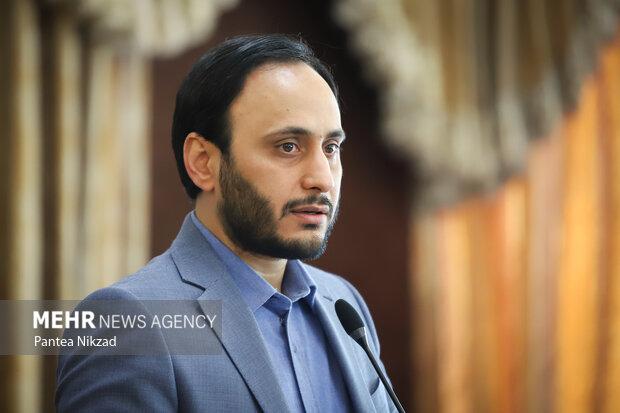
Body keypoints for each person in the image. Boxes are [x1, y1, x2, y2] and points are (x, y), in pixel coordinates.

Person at [56, 34, 395, 412]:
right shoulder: (128, 321)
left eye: (330, 148)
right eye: (288, 146)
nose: (323, 178)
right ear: (203, 162)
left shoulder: (344, 304)